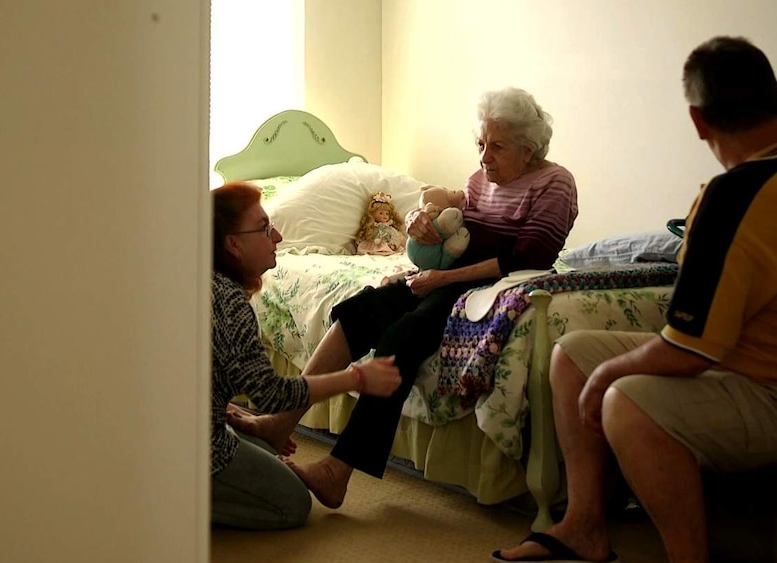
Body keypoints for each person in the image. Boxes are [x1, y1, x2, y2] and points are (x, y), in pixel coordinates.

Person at [493, 36, 777, 563]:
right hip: (752, 365)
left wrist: (611, 377)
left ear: (697, 121)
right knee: (572, 354)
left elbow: (689, 352)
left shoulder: (732, 200)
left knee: (625, 399)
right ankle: (585, 528)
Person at [228, 87, 579, 509]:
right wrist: (418, 222)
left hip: (497, 283)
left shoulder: (555, 183)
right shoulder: (478, 181)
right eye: (481, 144)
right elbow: (446, 213)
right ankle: (281, 422)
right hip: (449, 276)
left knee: (404, 336)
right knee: (359, 312)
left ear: (529, 147)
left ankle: (338, 471)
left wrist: (440, 278)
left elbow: (529, 256)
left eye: (497, 146)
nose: (484, 157)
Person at [210, 181, 402, 530]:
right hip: (194, 447)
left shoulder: (203, 283)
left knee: (264, 450)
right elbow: (270, 394)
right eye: (264, 228)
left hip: (186, 429)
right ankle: (181, 499)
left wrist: (219, 407)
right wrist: (355, 377)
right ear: (232, 244)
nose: (278, 236)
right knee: (293, 503)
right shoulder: (229, 303)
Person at [355, 191, 406, 255]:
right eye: (381, 213)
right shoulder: (372, 226)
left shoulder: (389, 228)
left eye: (387, 214)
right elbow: (363, 235)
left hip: (387, 245)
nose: (384, 216)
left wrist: (394, 244)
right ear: (373, 214)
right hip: (373, 244)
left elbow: (395, 236)